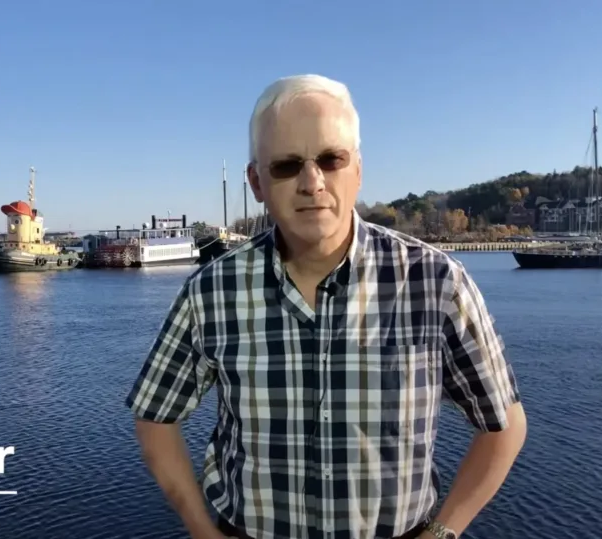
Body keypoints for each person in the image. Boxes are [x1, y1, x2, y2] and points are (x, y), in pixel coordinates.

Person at [126, 74, 527, 539]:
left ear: (357, 169)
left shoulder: (436, 283)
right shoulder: (212, 291)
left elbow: (504, 424)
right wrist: (201, 529)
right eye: (286, 165)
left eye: (331, 159)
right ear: (257, 181)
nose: (311, 182)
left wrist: (443, 532)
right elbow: (155, 418)